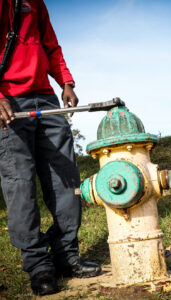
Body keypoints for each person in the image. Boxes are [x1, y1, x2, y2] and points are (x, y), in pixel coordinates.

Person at [0, 0, 101, 296]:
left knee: (66, 179)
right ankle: (37, 265)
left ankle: (67, 256)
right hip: (9, 103)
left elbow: (50, 43)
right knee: (20, 185)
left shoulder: (35, 2)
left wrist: (65, 81)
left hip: (46, 99)